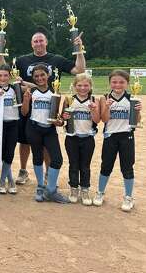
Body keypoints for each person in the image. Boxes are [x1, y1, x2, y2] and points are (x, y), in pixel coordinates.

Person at [0, 28, 85, 185]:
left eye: (41, 40)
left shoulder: (56, 59)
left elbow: (79, 70)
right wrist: (0, 51)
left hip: (47, 106)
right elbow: (4, 70)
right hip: (27, 104)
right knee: (24, 141)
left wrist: (79, 50)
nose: (38, 43)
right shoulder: (22, 60)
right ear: (31, 44)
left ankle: (47, 173)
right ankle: (23, 171)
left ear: (46, 42)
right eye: (35, 41)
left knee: (45, 142)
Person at [93, 70, 142, 212]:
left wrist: (138, 111)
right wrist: (107, 106)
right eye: (114, 82)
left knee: (127, 167)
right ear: (110, 83)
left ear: (127, 84)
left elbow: (136, 122)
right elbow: (104, 119)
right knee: (106, 166)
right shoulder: (104, 98)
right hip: (110, 136)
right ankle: (100, 192)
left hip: (126, 136)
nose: (118, 84)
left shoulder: (132, 97)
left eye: (122, 82)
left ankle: (128, 197)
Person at [21, 64, 69, 203]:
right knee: (37, 157)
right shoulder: (32, 91)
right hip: (33, 128)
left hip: (49, 129)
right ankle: (41, 186)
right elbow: (24, 112)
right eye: (36, 76)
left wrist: (60, 122)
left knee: (57, 159)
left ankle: (51, 190)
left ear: (48, 75)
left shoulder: (55, 91)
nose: (40, 78)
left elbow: (58, 116)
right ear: (33, 78)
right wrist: (25, 100)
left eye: (42, 75)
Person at [62, 73, 100, 205]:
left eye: (86, 85)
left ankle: (85, 189)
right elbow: (62, 117)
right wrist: (64, 116)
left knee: (85, 166)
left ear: (90, 86)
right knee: (73, 164)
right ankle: (73, 189)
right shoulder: (69, 99)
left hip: (88, 138)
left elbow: (97, 120)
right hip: (72, 138)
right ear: (74, 86)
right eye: (79, 85)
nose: (82, 88)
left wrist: (94, 110)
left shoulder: (94, 100)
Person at [0, 64, 21, 195]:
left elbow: (33, 88)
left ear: (10, 76)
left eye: (6, 75)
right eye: (0, 75)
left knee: (10, 153)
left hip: (13, 123)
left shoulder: (15, 88)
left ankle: (3, 180)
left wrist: (21, 82)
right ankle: (10, 180)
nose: (3, 78)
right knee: (3, 154)